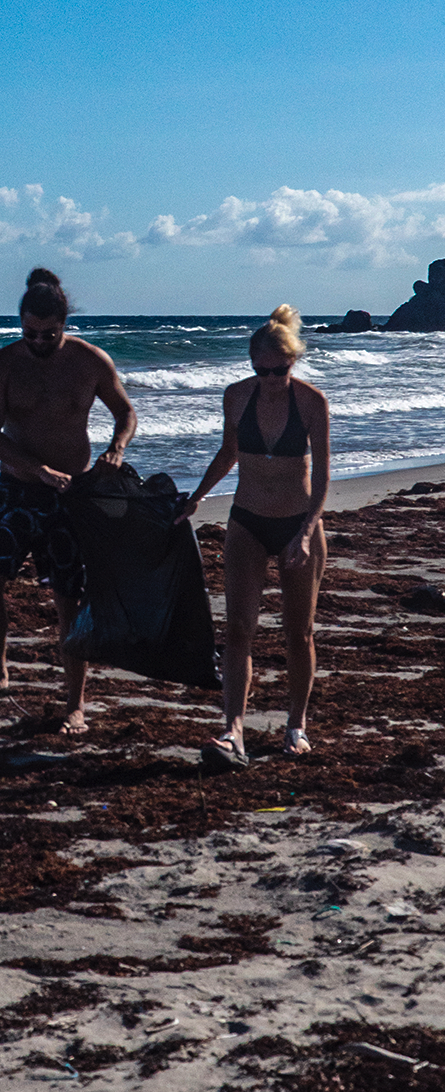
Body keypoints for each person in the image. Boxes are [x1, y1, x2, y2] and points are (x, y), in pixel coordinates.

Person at [0, 268, 137, 732]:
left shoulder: (89, 361)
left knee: (69, 598)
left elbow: (125, 411)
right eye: (29, 333)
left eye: (49, 334)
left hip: (73, 494)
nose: (38, 341)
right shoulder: (0, 365)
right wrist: (35, 468)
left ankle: (75, 704)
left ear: (65, 324)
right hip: (18, 488)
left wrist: (116, 449)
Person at [178, 305, 329, 769]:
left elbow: (322, 476)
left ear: (293, 362)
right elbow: (229, 452)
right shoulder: (236, 397)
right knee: (238, 629)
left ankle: (296, 725)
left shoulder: (310, 402)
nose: (269, 378)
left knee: (297, 632)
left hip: (297, 523)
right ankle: (233, 730)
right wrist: (198, 496)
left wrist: (304, 533)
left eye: (278, 370)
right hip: (247, 520)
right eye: (260, 370)